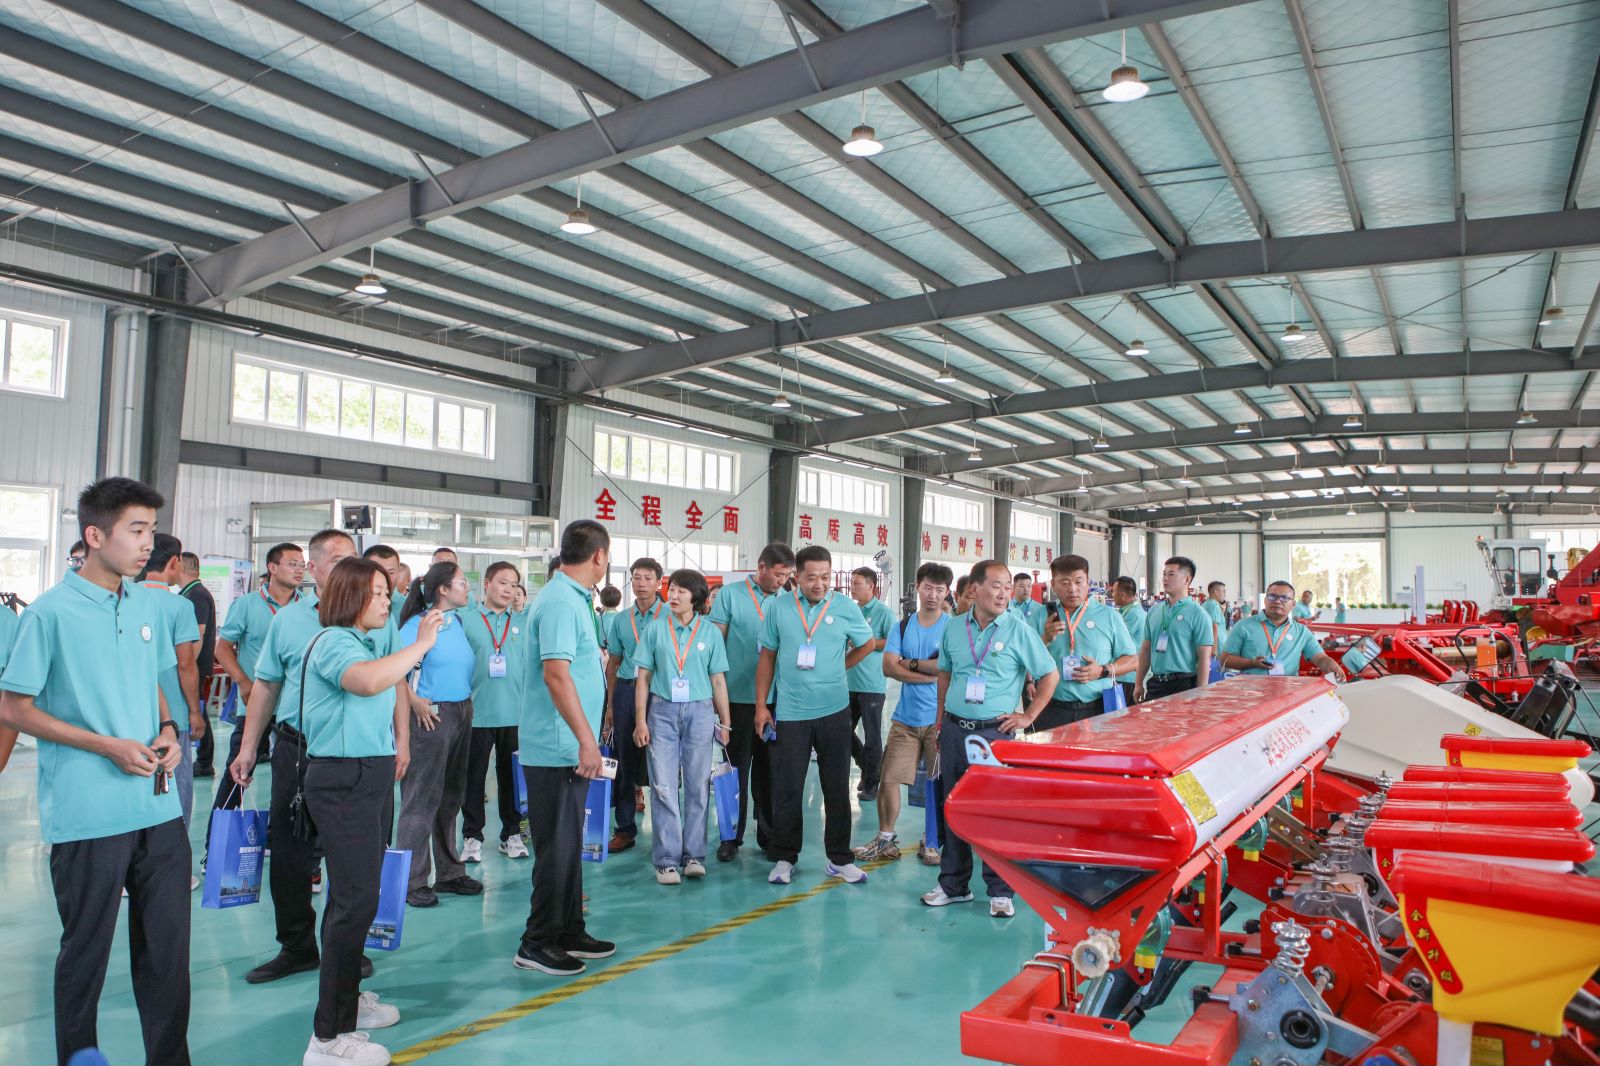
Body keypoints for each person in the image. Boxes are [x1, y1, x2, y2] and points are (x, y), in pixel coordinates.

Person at [0, 477, 191, 1066]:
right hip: (89, 813)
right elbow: (14, 708)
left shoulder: (147, 605)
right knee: (85, 954)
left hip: (157, 805)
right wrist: (106, 746)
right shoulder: (49, 614)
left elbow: (153, 680)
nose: (147, 543)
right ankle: (79, 1056)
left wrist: (167, 729)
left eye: (151, 531)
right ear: (95, 535)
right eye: (136, 530)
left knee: (167, 954)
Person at [230, 530, 407, 986]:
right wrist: (249, 747)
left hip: (360, 756)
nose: (351, 570)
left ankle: (343, 948)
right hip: (298, 750)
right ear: (313, 569)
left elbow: (395, 678)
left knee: (358, 859)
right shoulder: (289, 620)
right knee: (291, 854)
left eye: (355, 560)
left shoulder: (380, 619)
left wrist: (401, 740)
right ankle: (296, 947)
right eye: (338, 561)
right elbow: (267, 684)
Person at [296, 557, 442, 1066]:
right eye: (377, 593)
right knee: (353, 902)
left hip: (368, 775)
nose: (386, 600)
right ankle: (327, 1038)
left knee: (357, 898)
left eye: (386, 592)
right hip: (343, 780)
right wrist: (420, 645)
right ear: (351, 597)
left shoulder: (361, 641)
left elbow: (386, 683)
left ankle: (348, 1005)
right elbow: (365, 682)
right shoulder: (335, 643)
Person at [923, 560, 1057, 918]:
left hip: (995, 734)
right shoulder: (954, 627)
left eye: (1008, 587)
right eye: (996, 585)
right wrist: (940, 723)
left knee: (996, 812)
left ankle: (1000, 890)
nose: (1003, 594)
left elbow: (1049, 674)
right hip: (955, 730)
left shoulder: (1018, 629)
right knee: (953, 807)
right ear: (974, 589)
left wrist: (1028, 716)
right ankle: (954, 885)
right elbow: (945, 675)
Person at [514, 519, 616, 977]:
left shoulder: (575, 598)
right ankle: (536, 941)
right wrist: (586, 741)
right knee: (556, 847)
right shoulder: (559, 602)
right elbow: (556, 676)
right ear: (599, 555)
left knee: (569, 844)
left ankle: (569, 928)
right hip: (559, 747)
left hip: (569, 745)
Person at [754, 545, 876, 886]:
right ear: (797, 577)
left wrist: (840, 666)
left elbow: (867, 644)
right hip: (791, 712)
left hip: (834, 710)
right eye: (811, 577)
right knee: (788, 788)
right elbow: (767, 658)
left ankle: (839, 859)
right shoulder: (779, 608)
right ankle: (784, 857)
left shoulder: (845, 607)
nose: (819, 584)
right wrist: (762, 706)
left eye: (825, 576)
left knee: (836, 786)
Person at [632, 568, 731, 884]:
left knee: (698, 785)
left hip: (700, 712)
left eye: (681, 591)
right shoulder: (655, 631)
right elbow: (643, 678)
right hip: (661, 712)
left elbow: (718, 679)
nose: (673, 595)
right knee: (662, 785)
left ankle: (694, 856)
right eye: (671, 589)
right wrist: (640, 720)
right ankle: (666, 860)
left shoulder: (710, 633)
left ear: (696, 598)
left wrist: (726, 722)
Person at [396, 560, 482, 907]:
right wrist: (414, 701)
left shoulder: (455, 621)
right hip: (431, 716)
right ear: (443, 589)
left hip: (461, 711)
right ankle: (412, 880)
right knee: (421, 799)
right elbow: (396, 670)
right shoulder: (417, 625)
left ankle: (449, 872)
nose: (467, 588)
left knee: (450, 797)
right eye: (462, 583)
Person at [853, 562, 951, 866]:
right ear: (917, 587)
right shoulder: (903, 626)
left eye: (939, 589)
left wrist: (910, 664)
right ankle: (885, 839)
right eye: (927, 587)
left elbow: (948, 668)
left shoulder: (953, 628)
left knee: (939, 784)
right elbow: (888, 667)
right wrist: (928, 673)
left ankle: (931, 840)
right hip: (905, 720)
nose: (932, 594)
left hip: (941, 720)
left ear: (947, 592)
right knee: (889, 779)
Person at [210, 542, 301, 848]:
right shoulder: (247, 605)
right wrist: (244, 682)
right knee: (238, 772)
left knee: (290, 778)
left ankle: (278, 841)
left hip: (293, 708)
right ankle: (216, 847)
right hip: (255, 705)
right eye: (292, 564)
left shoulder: (307, 608)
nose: (299, 570)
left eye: (302, 565)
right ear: (272, 568)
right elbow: (223, 648)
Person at [707, 542, 793, 862]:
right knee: (734, 771)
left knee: (771, 773)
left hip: (776, 699)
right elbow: (715, 643)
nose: (782, 581)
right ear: (761, 567)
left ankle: (768, 836)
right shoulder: (730, 595)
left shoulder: (788, 600)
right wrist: (715, 695)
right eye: (778, 574)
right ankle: (731, 836)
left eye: (787, 575)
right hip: (737, 699)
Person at [462, 562, 530, 862]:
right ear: (487, 583)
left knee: (511, 778)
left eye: (514, 585)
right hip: (476, 713)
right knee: (473, 778)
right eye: (503, 582)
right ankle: (472, 836)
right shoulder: (466, 620)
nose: (509, 590)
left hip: (515, 713)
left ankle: (512, 834)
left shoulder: (523, 624)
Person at [139, 534, 202, 836]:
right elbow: (186, 664)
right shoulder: (180, 606)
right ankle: (173, 852)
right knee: (176, 786)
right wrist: (195, 711)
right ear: (175, 562)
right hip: (173, 715)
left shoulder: (125, 598)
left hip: (134, 711)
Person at [601, 558, 664, 854]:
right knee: (624, 762)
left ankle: (666, 832)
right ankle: (625, 829)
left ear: (659, 583)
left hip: (660, 693)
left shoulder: (669, 616)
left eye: (648, 578)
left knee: (662, 763)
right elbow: (613, 663)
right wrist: (610, 706)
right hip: (627, 690)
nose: (641, 583)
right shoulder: (620, 620)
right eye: (637, 577)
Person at [1034, 555, 1137, 730]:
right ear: (1053, 584)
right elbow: (1024, 662)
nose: (1072, 589)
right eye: (1065, 583)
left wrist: (1103, 670)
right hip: (1051, 709)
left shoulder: (1109, 616)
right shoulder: (1041, 616)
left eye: (1078, 582)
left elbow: (1133, 660)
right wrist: (1045, 639)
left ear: (1088, 582)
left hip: (1098, 709)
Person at [1220, 581, 1347, 680]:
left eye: (1284, 598)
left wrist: (1331, 665)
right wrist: (1252, 663)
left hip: (1288, 694)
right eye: (1272, 596)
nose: (1277, 601)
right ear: (1265, 600)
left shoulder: (1302, 632)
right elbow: (1225, 660)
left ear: (1293, 604)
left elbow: (1320, 658)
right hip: (1251, 693)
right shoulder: (1243, 626)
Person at [1134, 557, 1214, 703]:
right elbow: (1145, 650)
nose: (1165, 579)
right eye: (1164, 574)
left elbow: (1204, 658)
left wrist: (1201, 693)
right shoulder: (1154, 611)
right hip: (1156, 684)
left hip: (1183, 685)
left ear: (1187, 579)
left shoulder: (1199, 614)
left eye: (1171, 574)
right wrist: (1138, 683)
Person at [846, 566, 892, 803]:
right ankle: (867, 766)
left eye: (857, 583)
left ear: (871, 586)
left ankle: (871, 785)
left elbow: (893, 642)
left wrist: (868, 643)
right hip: (849, 681)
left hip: (871, 683)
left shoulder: (883, 612)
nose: (852, 587)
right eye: (851, 583)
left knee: (873, 735)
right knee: (843, 730)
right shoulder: (852, 611)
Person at [177, 552, 219, 778]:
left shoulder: (196, 595)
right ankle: (204, 760)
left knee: (198, 712)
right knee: (198, 712)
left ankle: (204, 761)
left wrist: (187, 666)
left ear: (181, 567)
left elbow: (198, 634)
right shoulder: (191, 593)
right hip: (195, 666)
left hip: (196, 667)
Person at [1110, 576, 1145, 707]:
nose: (1112, 595)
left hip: (1127, 676)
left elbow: (1118, 641)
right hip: (1124, 673)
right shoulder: (1127, 611)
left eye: (1114, 592)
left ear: (1123, 595)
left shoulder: (1133, 614)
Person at [363, 544, 405, 617]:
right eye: (379, 572)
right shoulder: (355, 605)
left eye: (391, 572)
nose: (385, 577)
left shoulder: (407, 605)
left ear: (399, 572)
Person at [1202, 581, 1229, 649]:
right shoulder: (1214, 606)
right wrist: (1214, 650)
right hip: (1219, 647)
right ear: (1216, 592)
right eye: (1224, 591)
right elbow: (1214, 628)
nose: (1225, 594)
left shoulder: (1205, 604)